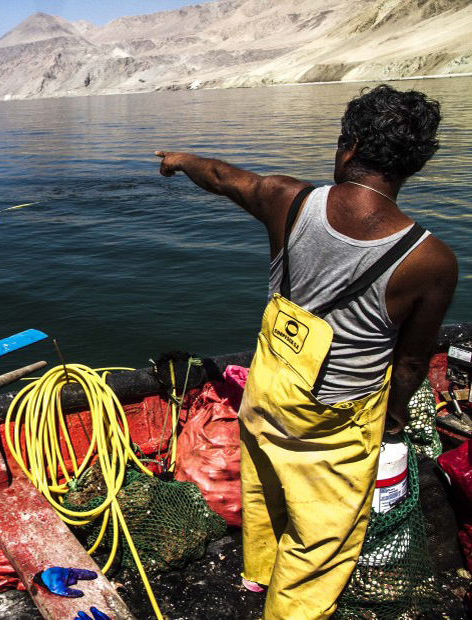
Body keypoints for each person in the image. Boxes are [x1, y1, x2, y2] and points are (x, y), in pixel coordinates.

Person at [155, 84, 457, 619]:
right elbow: (410, 363)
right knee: (319, 547)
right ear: (415, 164)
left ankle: (260, 576)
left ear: (350, 146)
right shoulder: (430, 258)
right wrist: (389, 423)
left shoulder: (287, 199)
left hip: (268, 392)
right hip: (336, 424)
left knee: (268, 495)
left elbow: (222, 176)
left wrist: (178, 160)